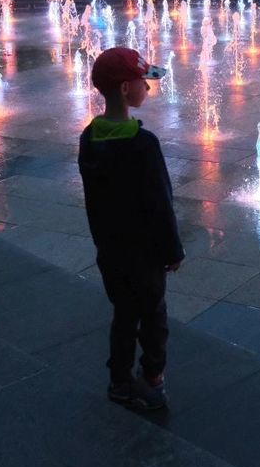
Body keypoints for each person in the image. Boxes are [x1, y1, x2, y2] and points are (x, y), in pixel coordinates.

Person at [78, 47, 182, 411]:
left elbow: (96, 201)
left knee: (124, 315)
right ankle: (153, 374)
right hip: (145, 255)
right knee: (154, 316)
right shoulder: (143, 145)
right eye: (143, 82)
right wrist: (172, 251)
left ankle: (119, 380)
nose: (149, 89)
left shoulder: (90, 138)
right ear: (125, 90)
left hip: (110, 252)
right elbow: (159, 205)